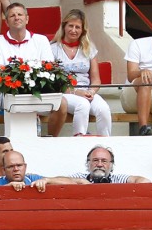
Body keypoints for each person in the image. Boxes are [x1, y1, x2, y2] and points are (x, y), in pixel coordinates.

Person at [47, 9, 112, 137]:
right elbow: (52, 81)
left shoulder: (89, 48)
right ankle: (79, 140)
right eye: (70, 26)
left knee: (103, 109)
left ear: (83, 30)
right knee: (82, 105)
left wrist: (91, 92)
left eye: (78, 27)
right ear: (64, 26)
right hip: (64, 92)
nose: (74, 30)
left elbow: (96, 79)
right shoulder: (52, 49)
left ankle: (105, 144)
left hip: (86, 91)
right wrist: (77, 92)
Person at [0, 3, 53, 73]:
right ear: (6, 22)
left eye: (20, 14)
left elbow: (49, 68)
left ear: (27, 19)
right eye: (12, 16)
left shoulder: (42, 40)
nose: (16, 18)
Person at [0, 150, 78, 191]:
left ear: (25, 167)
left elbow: (72, 184)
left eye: (19, 165)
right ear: (4, 170)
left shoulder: (32, 179)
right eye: (10, 167)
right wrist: (7, 187)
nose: (16, 169)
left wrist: (47, 180)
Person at [68, 145, 151, 184]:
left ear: (111, 165)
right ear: (88, 163)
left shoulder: (118, 179)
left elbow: (145, 182)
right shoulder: (80, 177)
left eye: (104, 161)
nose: (99, 164)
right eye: (95, 160)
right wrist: (79, 181)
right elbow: (54, 181)